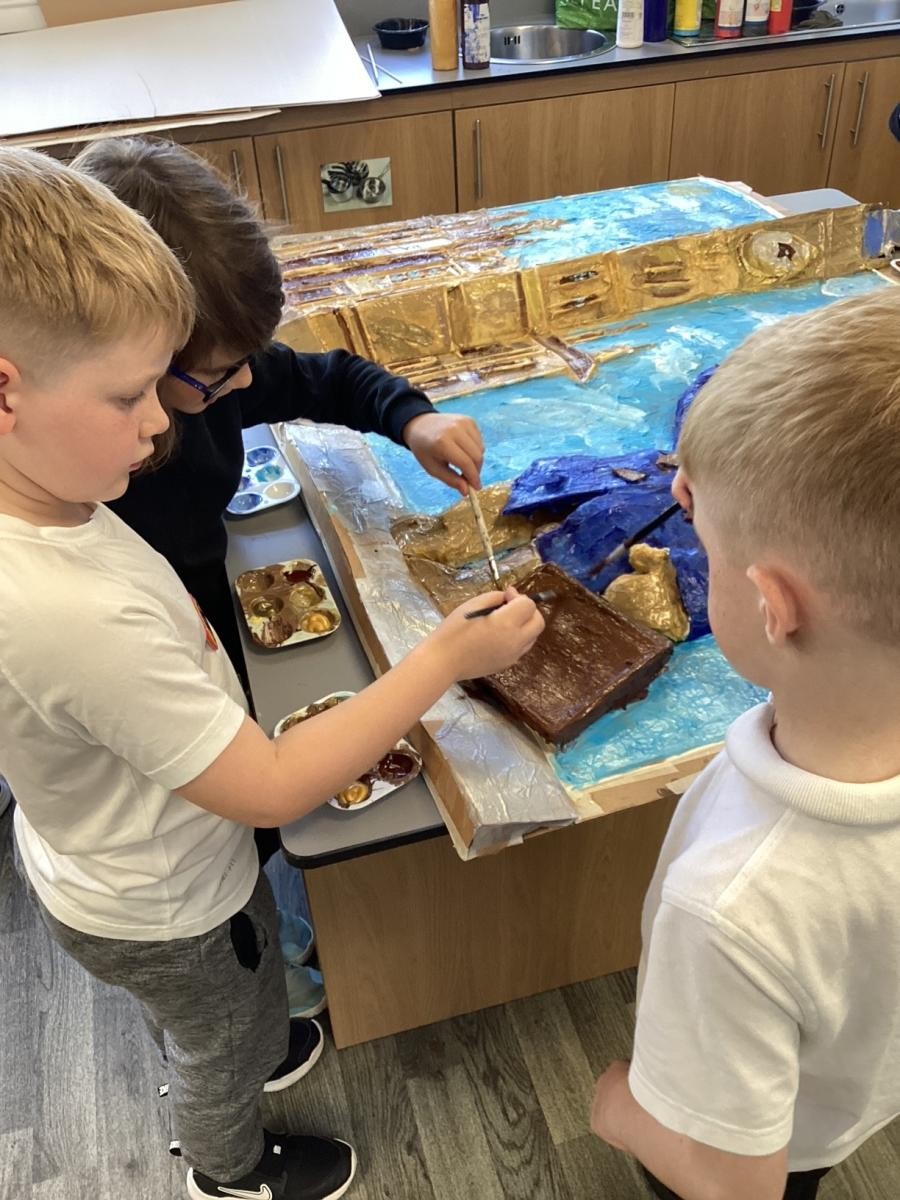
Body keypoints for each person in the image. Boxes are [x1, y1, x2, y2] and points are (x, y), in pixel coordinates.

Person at [0, 148, 544, 1200]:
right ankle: (228, 1167)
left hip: (138, 849)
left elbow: (309, 378)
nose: (161, 424)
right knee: (220, 1039)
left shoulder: (57, 495)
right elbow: (274, 790)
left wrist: (410, 415)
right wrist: (444, 657)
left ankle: (244, 1026)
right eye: (135, 395)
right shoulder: (70, 613)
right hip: (162, 899)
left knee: (227, 995)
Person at [590, 288, 900, 1200]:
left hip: (758, 1148)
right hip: (851, 1084)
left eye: (706, 547)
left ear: (774, 606)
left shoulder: (731, 909)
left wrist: (622, 1112)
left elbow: (737, 1186)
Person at [71, 136, 486, 680]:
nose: (246, 380)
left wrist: (414, 419)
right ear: (144, 355)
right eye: (221, 372)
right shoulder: (92, 475)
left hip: (213, 598)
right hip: (166, 645)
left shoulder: (211, 372)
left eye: (249, 358)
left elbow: (332, 379)